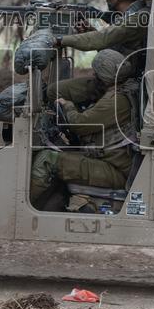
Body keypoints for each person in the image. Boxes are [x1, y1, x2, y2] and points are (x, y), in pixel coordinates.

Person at [29, 49, 136, 213]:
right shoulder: (122, 91)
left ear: (104, 78)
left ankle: (22, 210)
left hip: (115, 171)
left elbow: (80, 124)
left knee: (46, 159)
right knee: (58, 153)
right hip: (111, 162)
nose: (93, 76)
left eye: (96, 74)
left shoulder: (115, 101)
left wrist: (67, 105)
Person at [55, 0, 149, 57]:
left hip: (139, 69)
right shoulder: (136, 13)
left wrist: (58, 40)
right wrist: (91, 31)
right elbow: (114, 47)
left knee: (103, 60)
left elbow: (103, 38)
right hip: (134, 63)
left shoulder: (137, 17)